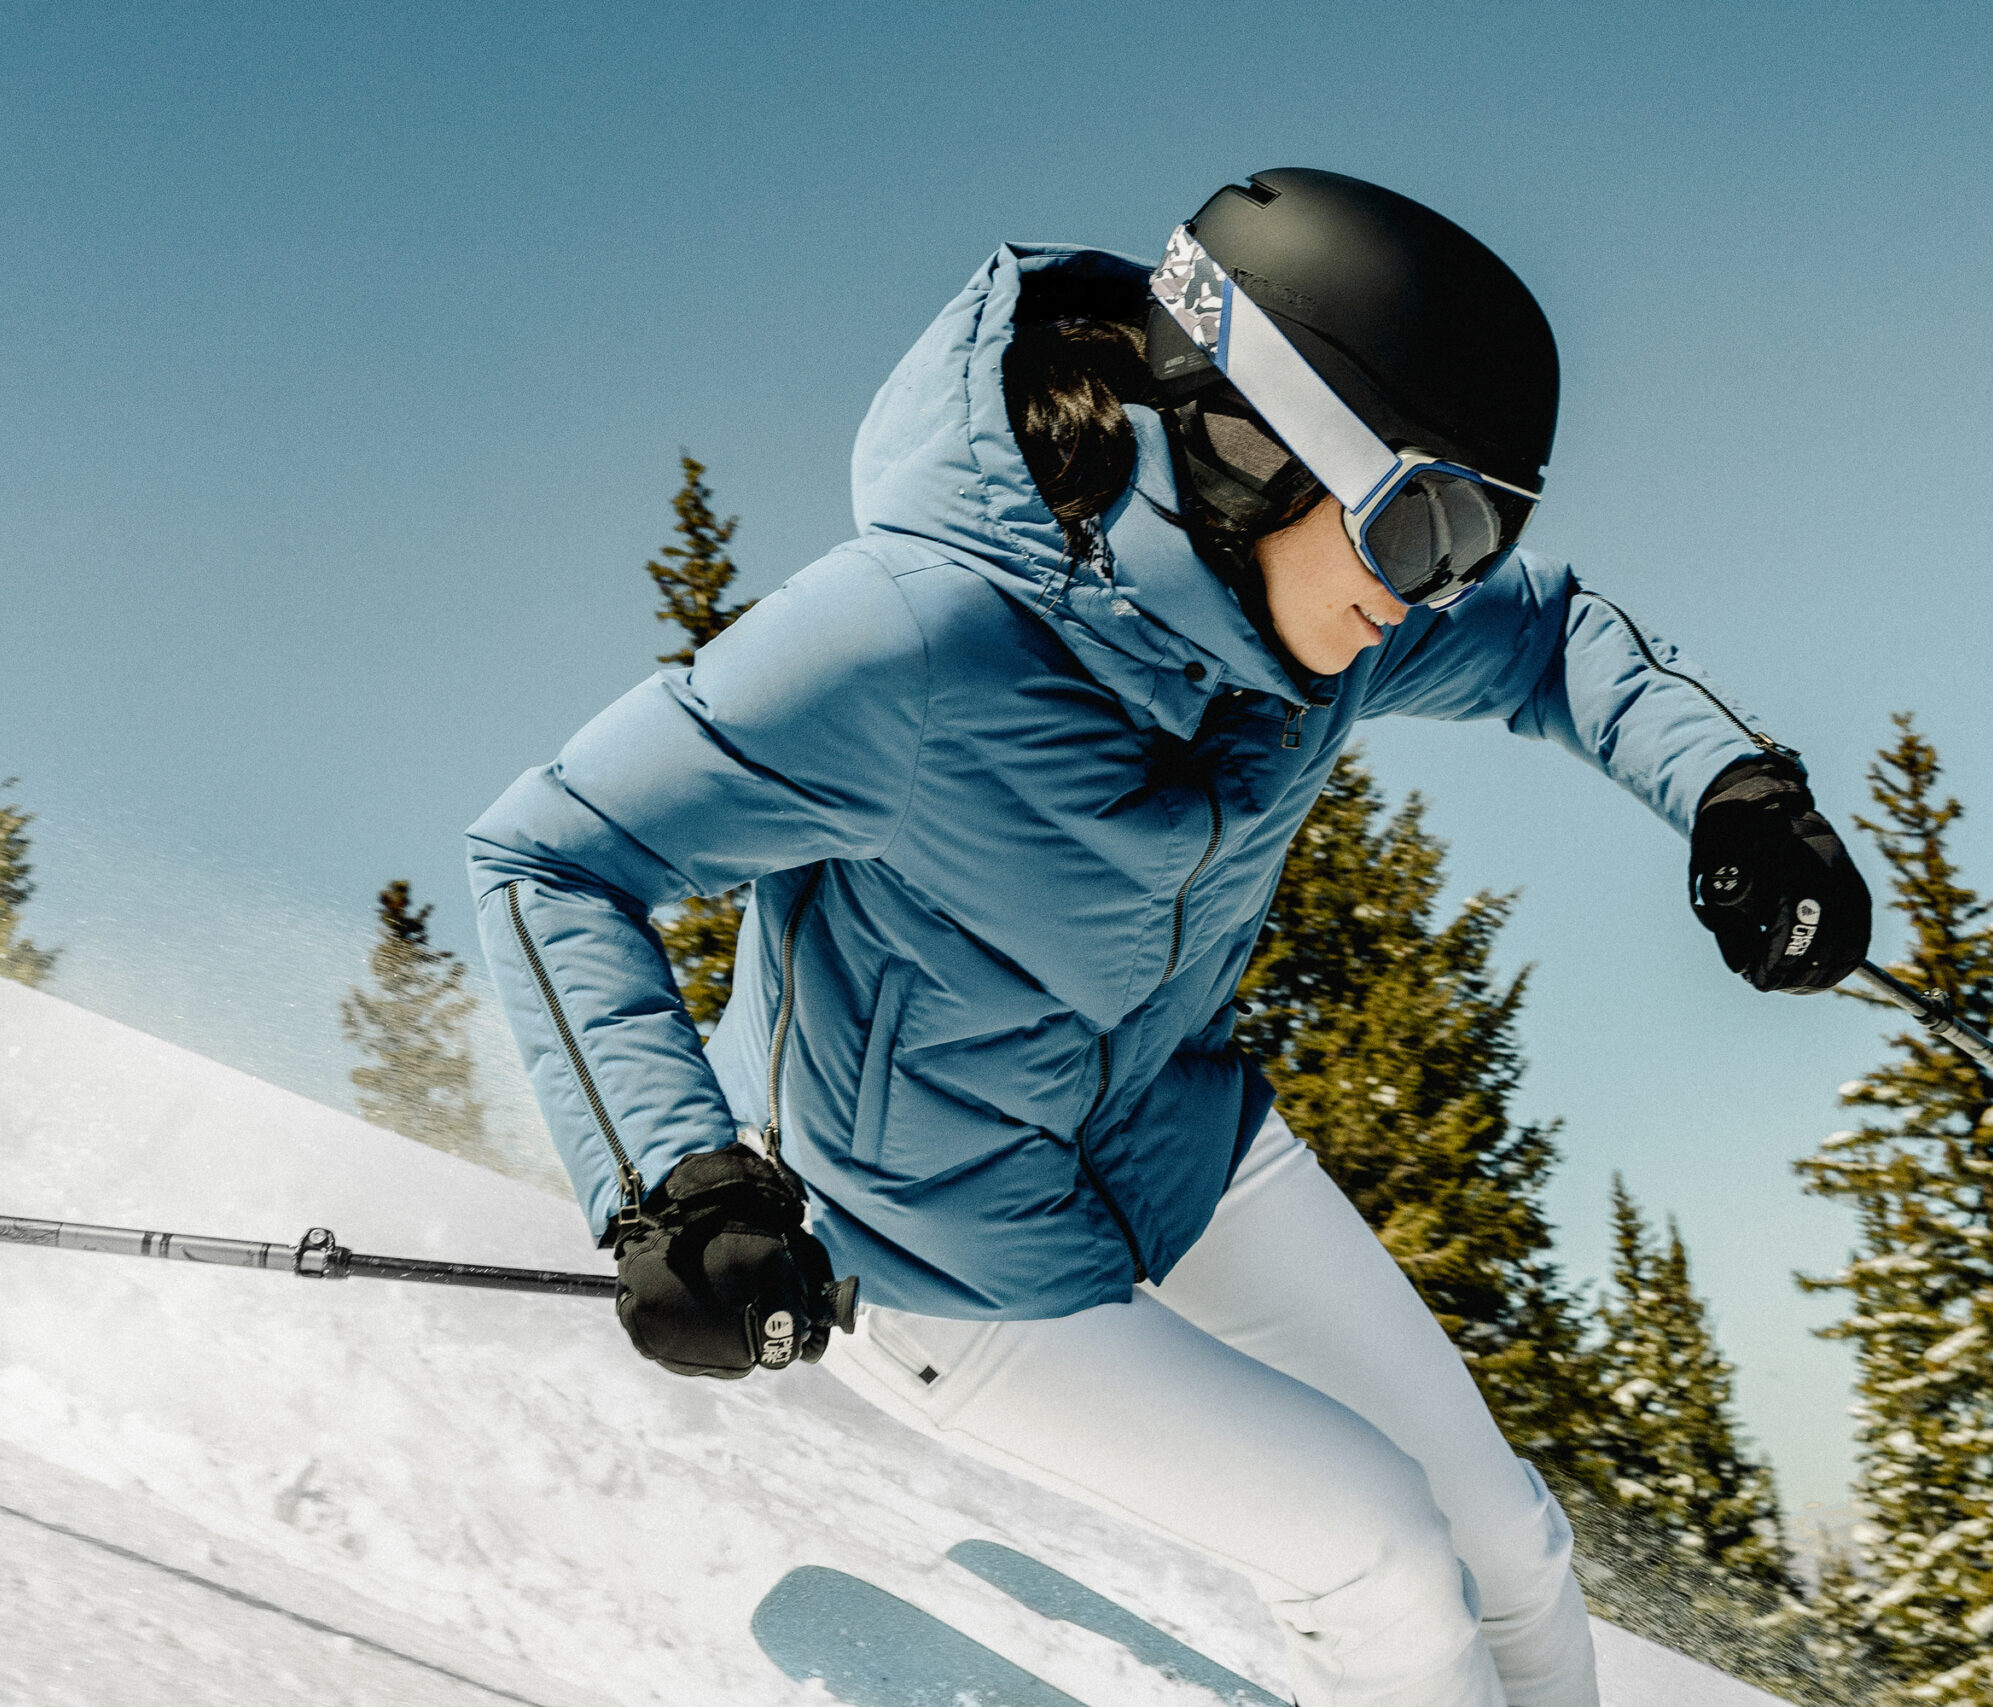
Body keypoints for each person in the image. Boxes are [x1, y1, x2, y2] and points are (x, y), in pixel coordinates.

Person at [467, 168, 1870, 1707]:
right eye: (1421, 527)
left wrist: (1732, 787)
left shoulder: (1314, 627)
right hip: (924, 1231)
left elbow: (1545, 636)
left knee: (1511, 1545)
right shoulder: (920, 638)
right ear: (1255, 447)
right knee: (1378, 1554)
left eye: (1477, 533)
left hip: (1158, 1129)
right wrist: (671, 1183)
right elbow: (548, 856)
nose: (1436, 594)